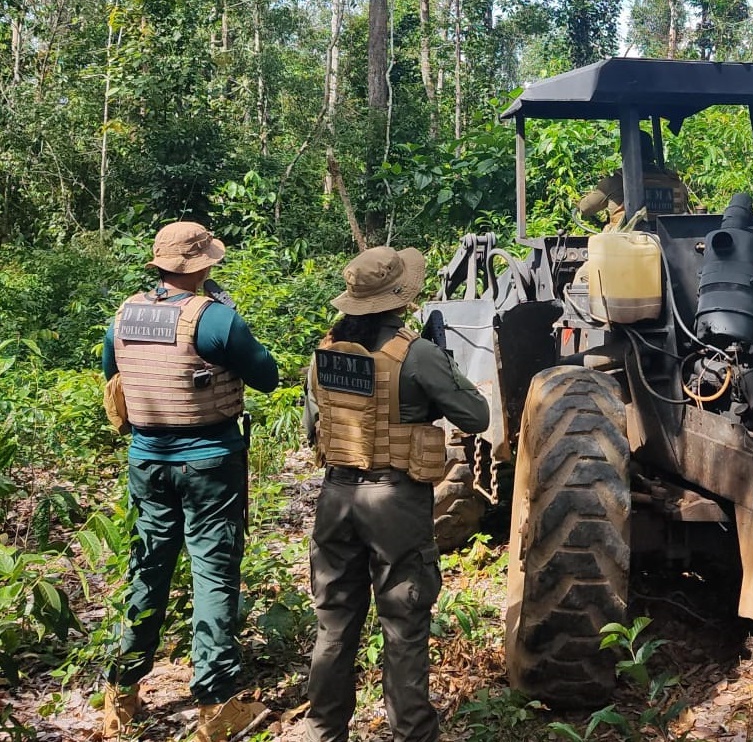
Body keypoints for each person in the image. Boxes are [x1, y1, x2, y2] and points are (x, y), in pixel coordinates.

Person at [100, 221, 280, 741]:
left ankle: (121, 696)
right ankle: (218, 704)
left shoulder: (125, 316)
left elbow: (116, 378)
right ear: (203, 264)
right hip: (210, 463)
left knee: (147, 567)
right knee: (213, 572)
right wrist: (234, 321)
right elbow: (266, 376)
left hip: (146, 460)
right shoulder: (217, 318)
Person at [302, 246, 489, 742]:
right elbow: (478, 417)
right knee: (404, 625)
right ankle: (412, 733)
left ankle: (323, 730)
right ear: (400, 298)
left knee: (333, 624)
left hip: (336, 497)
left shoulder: (326, 353)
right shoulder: (416, 354)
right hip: (395, 501)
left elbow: (312, 427)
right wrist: (439, 373)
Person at [577, 129, 693, 228]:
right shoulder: (676, 183)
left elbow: (584, 208)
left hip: (624, 246)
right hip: (670, 247)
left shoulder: (614, 182)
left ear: (624, 153)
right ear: (651, 153)